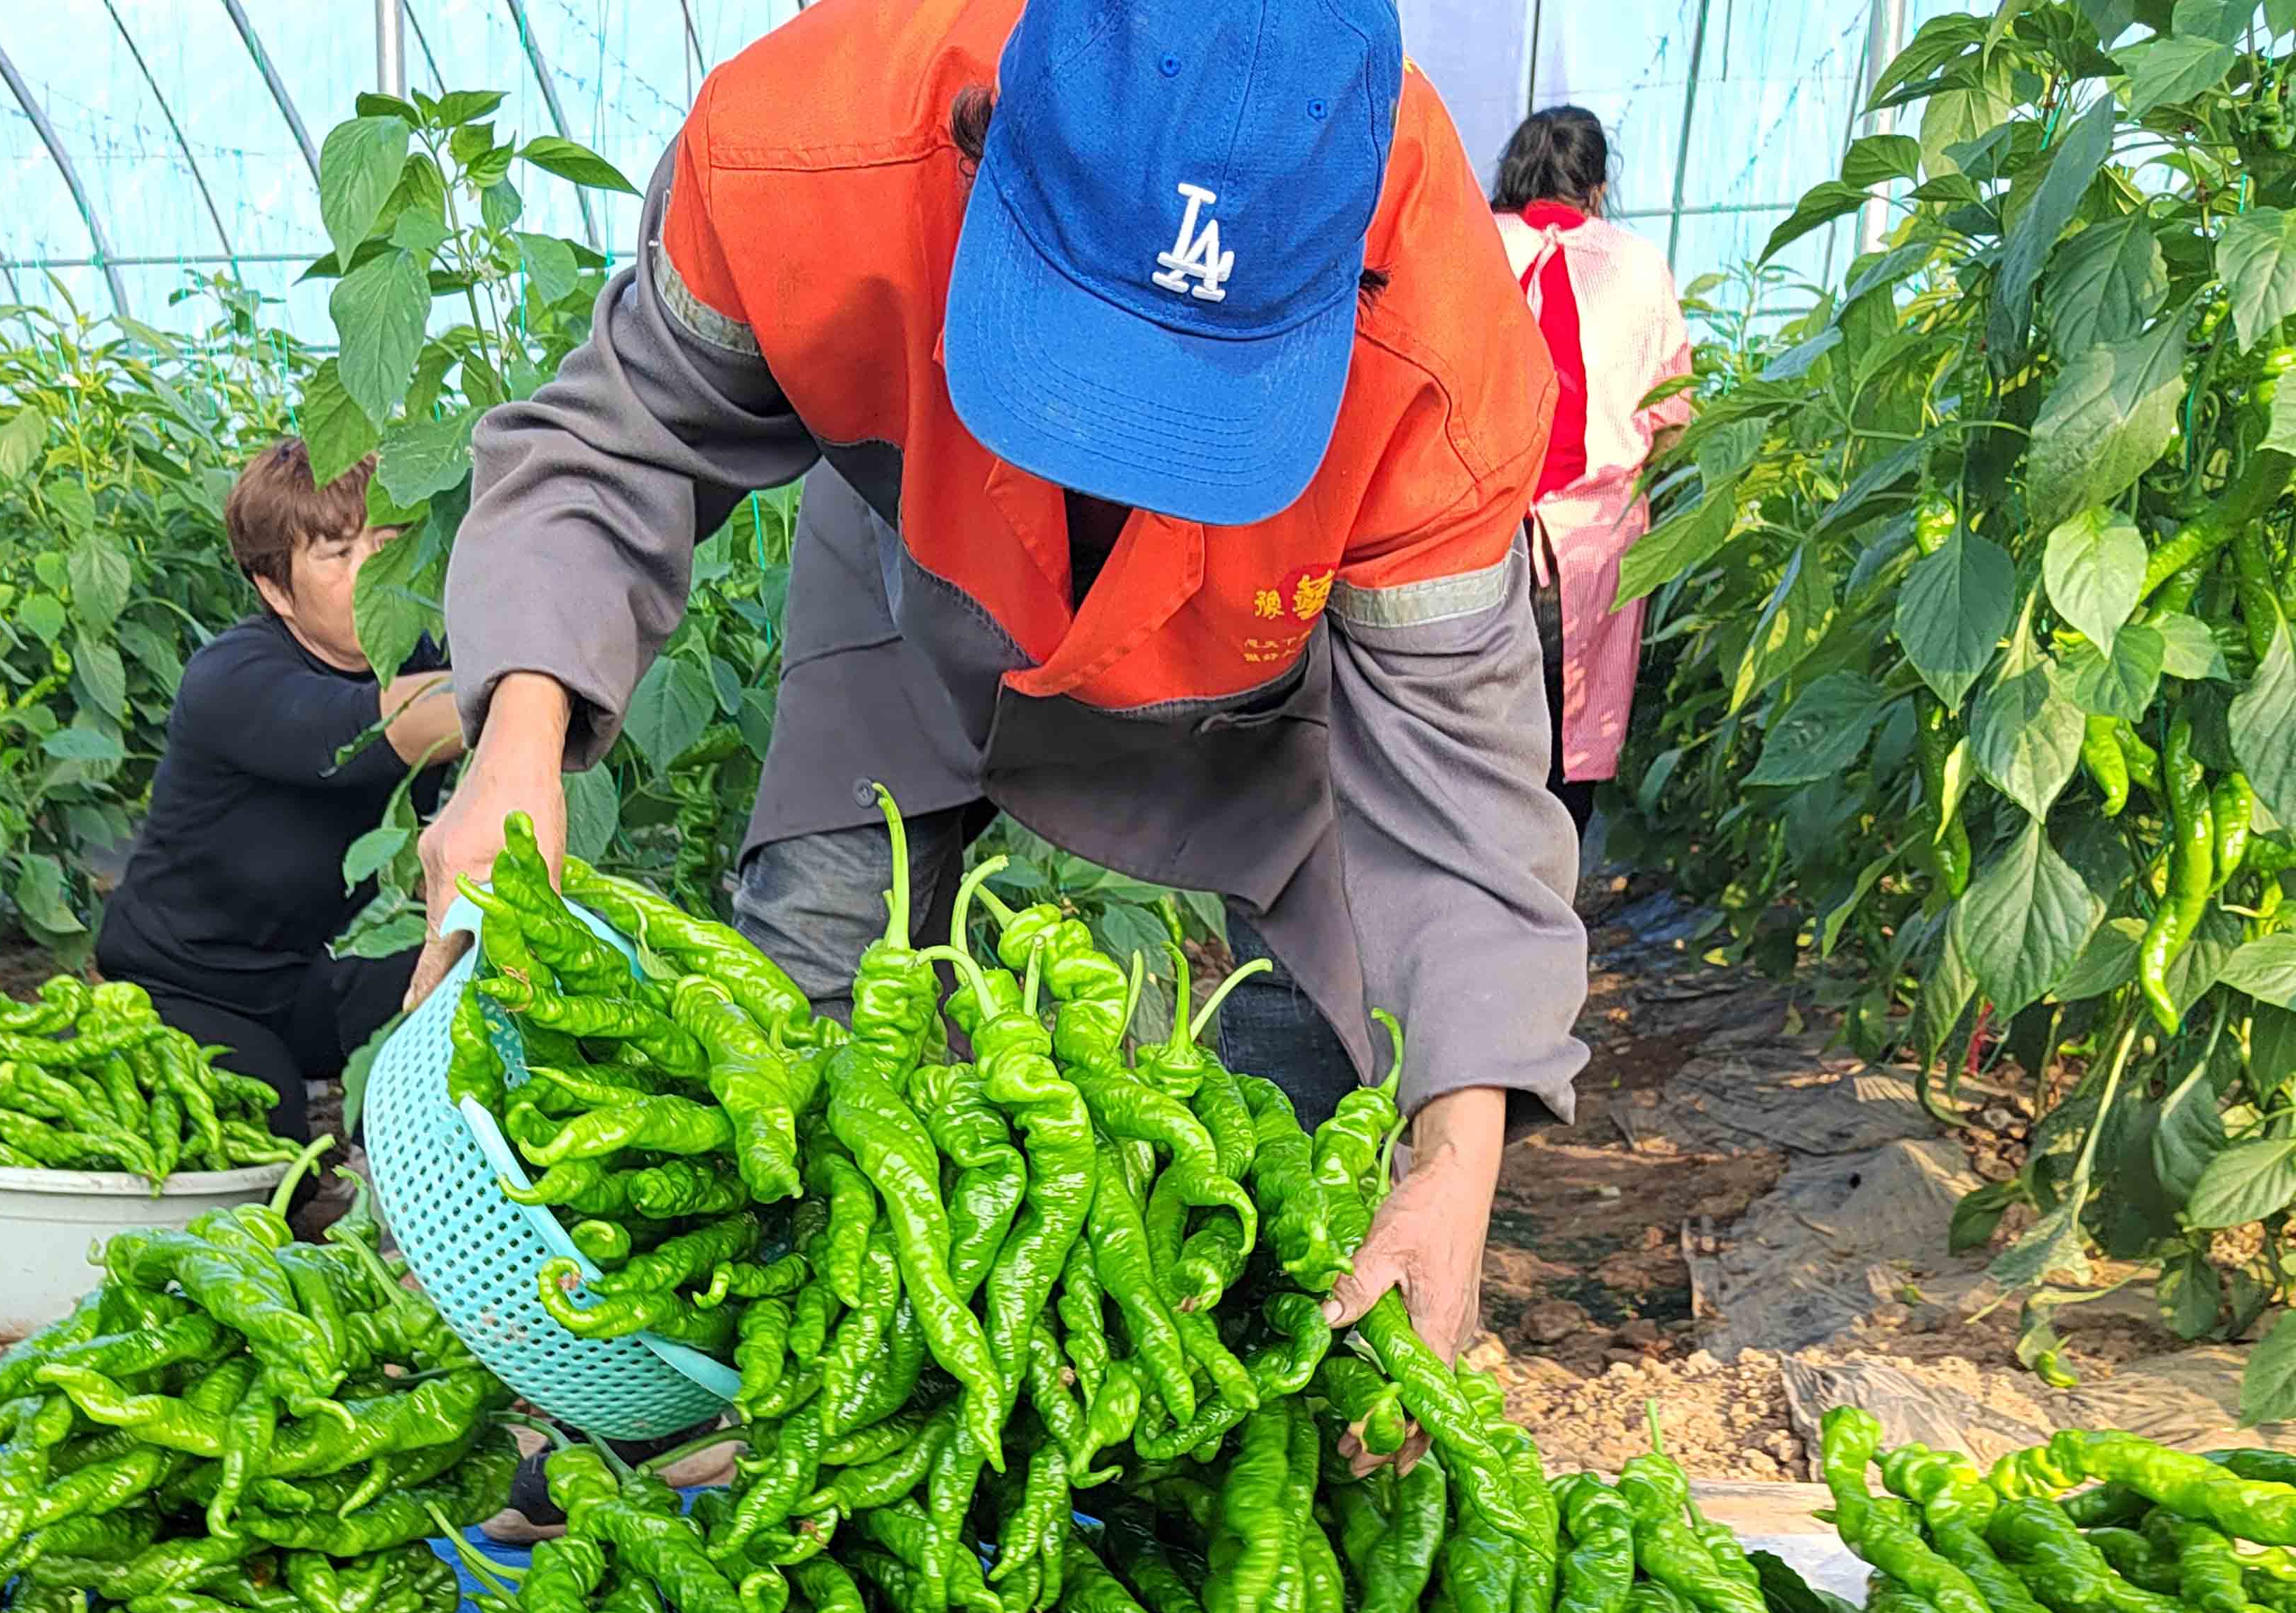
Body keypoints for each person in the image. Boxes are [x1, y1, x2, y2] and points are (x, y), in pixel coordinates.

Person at [413, 0, 1590, 1374]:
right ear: (986, 147)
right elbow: (614, 440)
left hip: (1260, 680)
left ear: (1351, 283)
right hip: (924, 552)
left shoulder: (1438, 352)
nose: (1118, 453)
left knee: (1346, 1129)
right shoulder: (817, 150)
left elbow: (1462, 785)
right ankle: (764, 1385)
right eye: (1087, 357)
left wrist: (1457, 1165)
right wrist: (514, 751)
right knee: (811, 1008)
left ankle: (1240, 1402)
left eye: (1193, 394)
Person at [98, 439, 462, 1145]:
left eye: (387, 544)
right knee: (269, 1143)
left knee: (470, 975)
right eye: (339, 555)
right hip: (192, 986)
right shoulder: (232, 678)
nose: (374, 572)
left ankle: (406, 1179)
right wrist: (531, 688)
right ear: (274, 588)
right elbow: (371, 727)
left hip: (316, 978)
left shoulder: (421, 656)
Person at [1491, 108, 1692, 836]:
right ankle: (1546, 914)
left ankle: (1456, 914)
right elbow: (1671, 421)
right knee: (1567, 734)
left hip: (1475, 531)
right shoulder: (1638, 266)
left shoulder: (1474, 246)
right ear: (1598, 188)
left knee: (1465, 732)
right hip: (1592, 544)